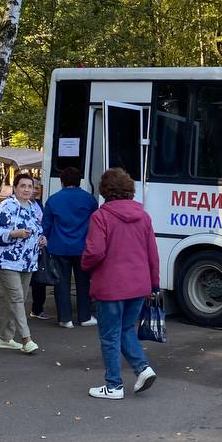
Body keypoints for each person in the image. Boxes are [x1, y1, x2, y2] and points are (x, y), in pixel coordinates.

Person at [81, 168, 158, 400]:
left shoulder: (101, 216)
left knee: (110, 335)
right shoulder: (143, 216)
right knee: (125, 329)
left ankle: (114, 385)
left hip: (111, 284)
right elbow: (152, 253)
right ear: (129, 189)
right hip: (139, 284)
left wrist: (84, 264)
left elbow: (95, 251)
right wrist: (154, 284)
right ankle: (143, 368)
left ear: (105, 191)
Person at [0, 173, 46, 354]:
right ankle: (26, 339)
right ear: (15, 188)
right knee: (17, 299)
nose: (27, 189)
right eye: (23, 186)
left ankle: (5, 338)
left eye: (30, 186)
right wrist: (13, 234)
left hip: (27, 261)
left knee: (16, 300)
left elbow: (38, 230)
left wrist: (42, 239)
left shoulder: (33, 207)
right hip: (7, 260)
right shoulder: (7, 206)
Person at [41, 166, 99, 328]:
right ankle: (85, 317)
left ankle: (65, 319)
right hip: (82, 248)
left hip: (59, 248)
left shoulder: (53, 200)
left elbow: (46, 226)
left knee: (62, 283)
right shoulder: (89, 199)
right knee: (83, 283)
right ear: (80, 181)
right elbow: (95, 223)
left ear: (62, 182)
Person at [28, 177, 51, 320]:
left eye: (37, 187)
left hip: (39, 248)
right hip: (26, 249)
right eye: (33, 187)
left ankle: (37, 308)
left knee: (39, 281)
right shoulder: (17, 205)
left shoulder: (38, 204)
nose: (35, 190)